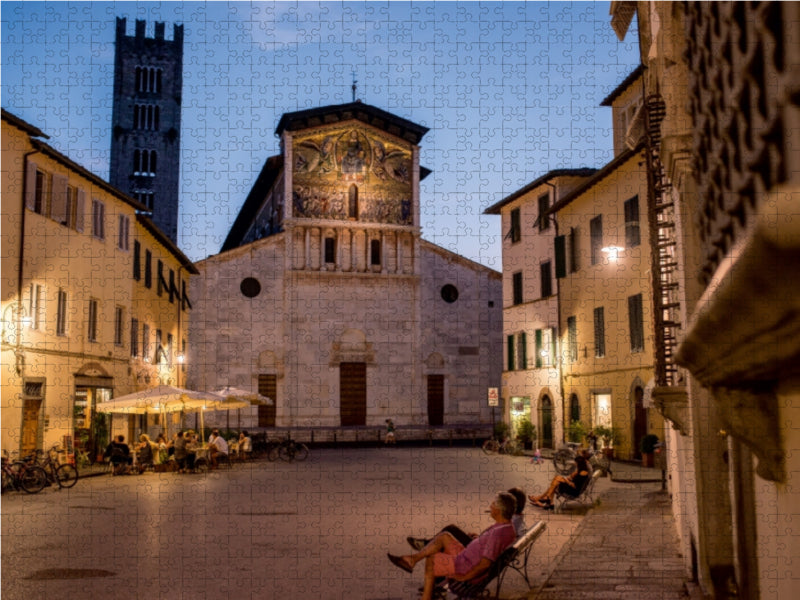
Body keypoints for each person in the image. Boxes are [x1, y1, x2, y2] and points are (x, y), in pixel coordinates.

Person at [388, 492, 517, 600]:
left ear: (499, 510)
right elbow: (492, 548)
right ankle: (412, 559)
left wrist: (464, 577)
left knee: (433, 559)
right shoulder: (507, 528)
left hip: (466, 567)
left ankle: (426, 597)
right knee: (445, 536)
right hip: (467, 558)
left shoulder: (497, 534)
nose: (490, 506)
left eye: (493, 504)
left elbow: (485, 564)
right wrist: (480, 540)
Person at [405, 487, 527, 552]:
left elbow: (497, 541)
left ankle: (426, 546)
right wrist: (480, 537)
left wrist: (479, 539)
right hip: (483, 546)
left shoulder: (511, 523)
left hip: (480, 551)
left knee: (450, 530)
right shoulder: (518, 521)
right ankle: (426, 546)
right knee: (450, 533)